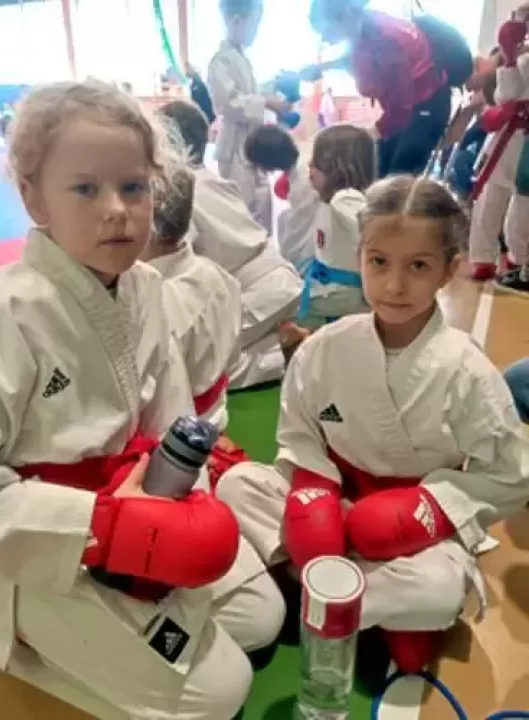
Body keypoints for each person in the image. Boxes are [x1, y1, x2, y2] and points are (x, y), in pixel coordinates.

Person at [0, 80, 284, 720]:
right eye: (85, 189)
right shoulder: (0, 310)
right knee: (222, 692)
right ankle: (4, 635)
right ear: (33, 197)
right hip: (49, 547)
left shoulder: (145, 288)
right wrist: (104, 525)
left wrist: (174, 504)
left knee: (262, 617)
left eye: (134, 187)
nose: (117, 210)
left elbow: (172, 422)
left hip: (141, 510)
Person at [216, 176, 529, 678]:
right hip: (336, 499)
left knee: (439, 590)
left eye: (418, 266)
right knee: (239, 484)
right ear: (359, 256)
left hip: (412, 528)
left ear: (449, 270)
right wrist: (315, 488)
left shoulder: (467, 371)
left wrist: (431, 508)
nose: (394, 285)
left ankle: (315, 584)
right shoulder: (325, 348)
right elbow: (299, 435)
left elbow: (510, 475)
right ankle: (354, 593)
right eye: (379, 261)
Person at [159, 99, 302, 389]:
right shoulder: (211, 179)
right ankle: (281, 340)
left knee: (196, 371)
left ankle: (293, 355)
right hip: (277, 281)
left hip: (259, 293)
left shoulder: (177, 191)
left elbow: (180, 263)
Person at [141, 167, 247, 484]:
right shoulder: (220, 276)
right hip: (215, 417)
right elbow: (234, 360)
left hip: (172, 446)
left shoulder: (154, 305)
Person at [245, 123, 374, 335]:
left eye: (316, 163)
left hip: (341, 291)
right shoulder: (331, 200)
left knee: (279, 309)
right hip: (330, 284)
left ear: (338, 168)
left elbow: (378, 234)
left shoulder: (344, 200)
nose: (309, 166)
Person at [308, 0, 453, 177]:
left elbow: (401, 107)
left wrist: (368, 135)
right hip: (406, 110)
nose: (326, 40)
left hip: (425, 107)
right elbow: (356, 56)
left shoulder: (386, 39)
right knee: (378, 171)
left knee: (396, 178)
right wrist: (323, 68)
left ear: (345, 16)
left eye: (326, 31)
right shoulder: (365, 28)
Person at [206, 0, 292, 233]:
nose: (256, 31)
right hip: (235, 145)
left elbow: (249, 93)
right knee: (243, 208)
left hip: (252, 141)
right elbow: (230, 103)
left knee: (262, 202)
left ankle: (264, 249)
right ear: (236, 21)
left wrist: (273, 92)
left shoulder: (240, 58)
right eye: (255, 23)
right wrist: (267, 102)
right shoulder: (221, 61)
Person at [469, 16, 529, 294]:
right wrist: (508, 58)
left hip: (517, 132)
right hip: (510, 132)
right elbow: (506, 96)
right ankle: (490, 258)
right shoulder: (521, 55)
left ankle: (518, 259)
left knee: (516, 198)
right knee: (493, 195)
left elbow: (508, 94)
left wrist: (510, 59)